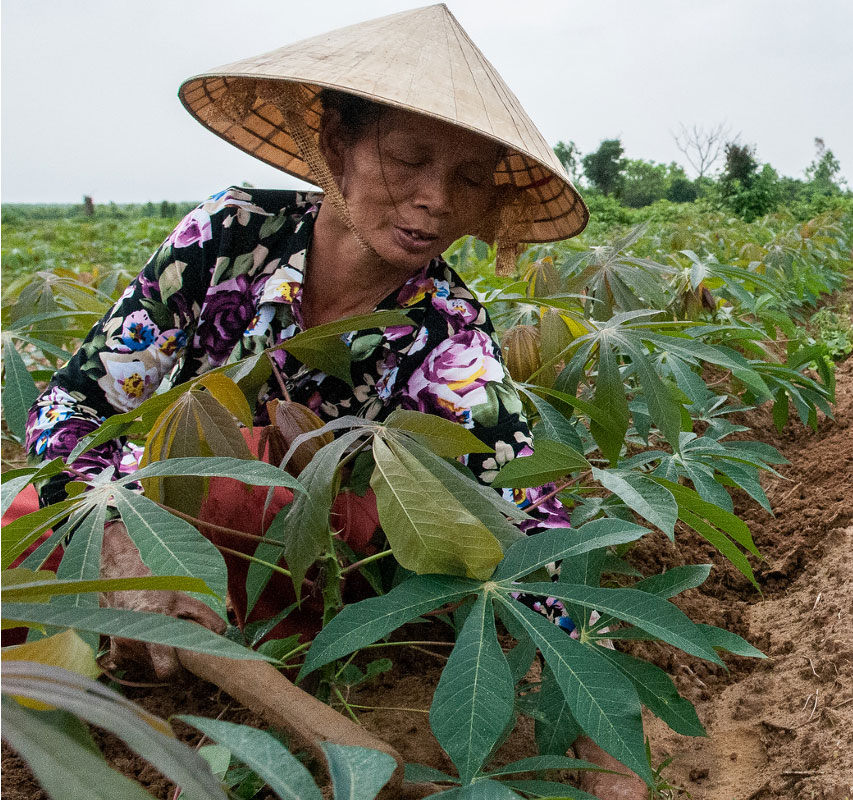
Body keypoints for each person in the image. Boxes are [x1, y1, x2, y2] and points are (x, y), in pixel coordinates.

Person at [20, 7, 640, 797]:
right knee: (47, 519)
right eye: (407, 158)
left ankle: (249, 674)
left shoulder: (446, 334)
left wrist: (611, 754)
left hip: (306, 563)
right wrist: (119, 537)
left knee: (262, 479)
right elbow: (67, 413)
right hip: (155, 511)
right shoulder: (227, 236)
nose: (434, 201)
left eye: (469, 179)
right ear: (337, 144)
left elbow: (529, 520)